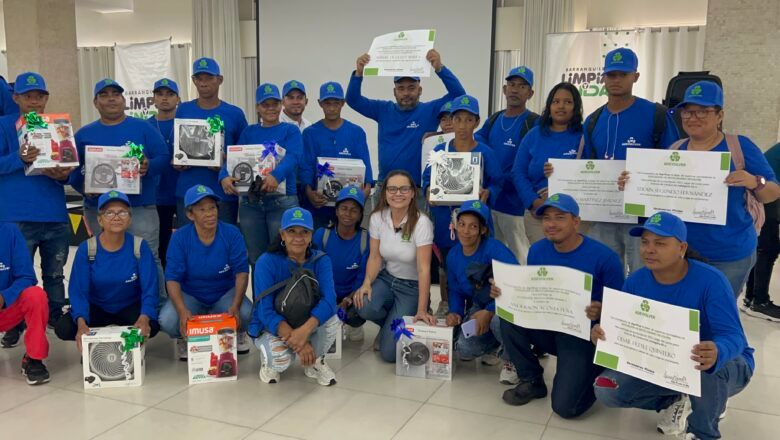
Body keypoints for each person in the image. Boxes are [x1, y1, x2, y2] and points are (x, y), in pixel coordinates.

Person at [593, 211, 754, 440]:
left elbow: (734, 337)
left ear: (681, 248)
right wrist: (602, 334)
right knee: (606, 389)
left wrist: (718, 350)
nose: (649, 249)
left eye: (660, 243)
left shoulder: (712, 281)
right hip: (666, 362)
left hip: (722, 365)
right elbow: (624, 329)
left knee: (704, 365)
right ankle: (680, 397)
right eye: (645, 242)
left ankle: (702, 431)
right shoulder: (636, 280)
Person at [620, 81, 780, 299]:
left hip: (727, 255)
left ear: (720, 115)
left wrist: (754, 182)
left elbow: (772, 192)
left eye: (702, 111)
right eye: (688, 111)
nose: (693, 117)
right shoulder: (675, 149)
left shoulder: (739, 146)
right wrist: (633, 185)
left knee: (714, 317)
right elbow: (660, 197)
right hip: (680, 255)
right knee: (682, 316)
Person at [495, 193, 624, 418]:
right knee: (505, 315)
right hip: (548, 324)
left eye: (559, 217)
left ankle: (595, 368)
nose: (551, 224)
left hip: (583, 334)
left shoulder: (605, 257)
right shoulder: (537, 250)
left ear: (576, 221)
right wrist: (505, 293)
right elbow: (533, 292)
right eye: (546, 218)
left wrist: (602, 310)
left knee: (565, 408)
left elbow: (621, 311)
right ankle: (532, 379)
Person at [578, 48, 679, 274]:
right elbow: (586, 167)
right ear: (603, 78)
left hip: (644, 217)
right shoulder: (593, 121)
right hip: (603, 214)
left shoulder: (656, 115)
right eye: (611, 75)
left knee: (644, 273)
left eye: (623, 74)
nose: (616, 80)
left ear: (635, 76)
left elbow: (672, 163)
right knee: (604, 272)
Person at [70, 78, 169, 299]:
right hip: (99, 209)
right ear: (95, 103)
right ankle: (113, 307)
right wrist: (85, 188)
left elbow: (164, 158)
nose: (111, 98)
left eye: (116, 93)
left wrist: (148, 165)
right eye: (104, 94)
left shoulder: (144, 128)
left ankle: (161, 310)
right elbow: (72, 172)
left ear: (124, 100)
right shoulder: (84, 134)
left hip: (140, 206)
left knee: (149, 257)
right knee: (104, 257)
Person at [0, 72, 73, 347]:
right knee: (18, 274)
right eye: (27, 95)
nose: (34, 100)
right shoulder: (4, 126)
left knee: (55, 272)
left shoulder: (58, 127)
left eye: (39, 95)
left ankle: (55, 316)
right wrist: (18, 158)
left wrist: (63, 175)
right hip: (15, 215)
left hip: (53, 212)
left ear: (46, 98)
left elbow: (69, 172)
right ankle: (15, 321)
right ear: (15, 97)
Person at [346, 49, 465, 206]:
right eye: (401, 88)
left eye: (411, 87)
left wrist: (440, 68)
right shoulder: (382, 109)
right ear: (394, 92)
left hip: (417, 190)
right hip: (386, 188)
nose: (406, 93)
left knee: (418, 230)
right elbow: (353, 100)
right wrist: (359, 73)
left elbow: (460, 96)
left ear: (420, 90)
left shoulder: (429, 110)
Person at [422, 95, 503, 320]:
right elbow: (426, 177)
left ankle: (479, 306)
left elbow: (498, 181)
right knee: (448, 265)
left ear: (476, 122)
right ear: (452, 121)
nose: (463, 126)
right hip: (445, 219)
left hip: (474, 221)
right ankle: (449, 304)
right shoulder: (440, 150)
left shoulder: (485, 152)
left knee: (478, 264)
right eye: (458, 119)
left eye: (469, 120)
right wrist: (428, 189)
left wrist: (490, 193)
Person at [55, 191, 160, 349]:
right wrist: (81, 323)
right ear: (99, 219)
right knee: (64, 328)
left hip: (128, 306)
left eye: (122, 212)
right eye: (109, 213)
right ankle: (96, 343)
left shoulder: (139, 246)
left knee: (153, 324)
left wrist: (144, 317)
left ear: (130, 219)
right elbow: (78, 291)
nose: (116, 217)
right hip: (97, 307)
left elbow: (150, 288)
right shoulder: (87, 249)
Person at [159, 184, 252, 360]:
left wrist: (235, 305)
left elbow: (241, 272)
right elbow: (172, 278)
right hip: (191, 294)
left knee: (247, 314)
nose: (210, 213)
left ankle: (238, 332)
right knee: (167, 319)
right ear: (189, 214)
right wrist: (181, 310)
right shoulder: (179, 237)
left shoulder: (231, 233)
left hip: (224, 293)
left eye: (212, 208)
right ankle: (183, 336)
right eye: (202, 209)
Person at [250, 207, 340, 386]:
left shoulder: (321, 260)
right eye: (291, 231)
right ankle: (269, 362)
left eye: (304, 232)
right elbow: (264, 311)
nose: (298, 238)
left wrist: (304, 331)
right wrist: (301, 343)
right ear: (282, 235)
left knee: (333, 319)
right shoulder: (266, 262)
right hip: (273, 325)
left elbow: (330, 300)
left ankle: (315, 361)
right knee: (281, 361)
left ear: (311, 235)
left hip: (305, 321)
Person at [354, 170, 436, 362]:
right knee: (363, 304)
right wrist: (367, 283)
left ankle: (398, 322)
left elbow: (424, 269)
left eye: (404, 189)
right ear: (384, 192)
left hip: (411, 287)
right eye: (392, 189)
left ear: (413, 193)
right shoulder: (377, 218)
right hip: (387, 279)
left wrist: (422, 310)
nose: (397, 194)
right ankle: (389, 324)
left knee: (390, 354)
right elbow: (375, 257)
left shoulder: (422, 222)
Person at [220, 83, 302, 266]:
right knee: (256, 260)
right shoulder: (249, 132)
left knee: (284, 257)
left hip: (282, 201)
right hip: (251, 204)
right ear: (258, 107)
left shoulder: (291, 130)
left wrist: (276, 175)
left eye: (274, 103)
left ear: (281, 104)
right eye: (265, 104)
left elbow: (294, 156)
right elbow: (234, 158)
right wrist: (224, 175)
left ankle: (286, 296)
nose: (270, 108)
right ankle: (261, 296)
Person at [444, 200, 518, 382]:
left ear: (483, 230)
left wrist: (491, 310)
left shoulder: (494, 249)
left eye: (473, 226)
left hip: (508, 305)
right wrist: (455, 312)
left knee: (496, 322)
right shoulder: (453, 255)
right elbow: (455, 290)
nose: (465, 231)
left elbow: (516, 282)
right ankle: (497, 346)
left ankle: (515, 359)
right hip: (479, 304)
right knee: (464, 348)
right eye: (461, 224)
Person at [475, 66, 540, 264]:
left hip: (516, 207)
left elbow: (530, 165)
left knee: (520, 258)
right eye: (511, 85)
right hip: (490, 201)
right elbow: (474, 142)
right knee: (493, 258)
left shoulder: (534, 122)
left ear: (530, 93)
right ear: (504, 89)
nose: (515, 90)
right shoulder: (494, 119)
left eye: (522, 86)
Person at [174, 57, 248, 226]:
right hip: (188, 189)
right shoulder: (183, 109)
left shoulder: (234, 113)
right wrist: (177, 160)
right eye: (199, 78)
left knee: (223, 244)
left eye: (209, 78)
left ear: (219, 80)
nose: (204, 83)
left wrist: (225, 162)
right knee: (188, 244)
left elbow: (244, 153)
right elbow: (176, 146)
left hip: (222, 192)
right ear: (193, 81)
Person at [513, 82, 584, 245]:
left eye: (568, 102)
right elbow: (518, 172)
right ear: (549, 106)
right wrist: (533, 202)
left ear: (575, 107)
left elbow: (591, 172)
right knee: (543, 265)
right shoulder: (534, 135)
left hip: (572, 214)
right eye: (556, 101)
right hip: (539, 214)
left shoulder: (583, 136)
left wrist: (562, 173)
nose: (561, 106)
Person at [301, 81, 373, 229]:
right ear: (320, 103)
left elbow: (366, 171)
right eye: (327, 103)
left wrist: (361, 197)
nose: (332, 107)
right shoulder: (310, 133)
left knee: (348, 243)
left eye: (336, 103)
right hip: (320, 205)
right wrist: (309, 193)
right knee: (318, 243)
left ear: (343, 103)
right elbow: (307, 166)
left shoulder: (356, 132)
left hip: (350, 206)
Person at [312, 186, 370, 342]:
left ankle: (353, 325)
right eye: (343, 208)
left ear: (360, 215)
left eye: (354, 210)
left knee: (360, 308)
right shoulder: (321, 235)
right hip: (324, 293)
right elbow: (312, 271)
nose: (348, 214)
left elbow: (363, 277)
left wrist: (347, 300)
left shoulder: (365, 239)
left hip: (350, 296)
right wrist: (328, 301)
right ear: (336, 211)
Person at [0, 222, 50, 385]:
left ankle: (33, 358)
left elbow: (27, 276)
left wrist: (4, 297)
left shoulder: (9, 230)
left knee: (36, 296)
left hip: (7, 309)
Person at [744, 142, 780, 320]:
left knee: (763, 249)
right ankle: (760, 301)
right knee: (767, 249)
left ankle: (751, 298)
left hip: (766, 194)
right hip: (768, 195)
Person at [148, 78, 180, 268]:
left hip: (183, 193)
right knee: (159, 247)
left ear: (178, 99)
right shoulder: (145, 126)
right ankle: (163, 292)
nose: (165, 98)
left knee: (183, 247)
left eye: (170, 94)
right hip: (156, 196)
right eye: (160, 94)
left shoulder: (188, 125)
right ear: (153, 99)